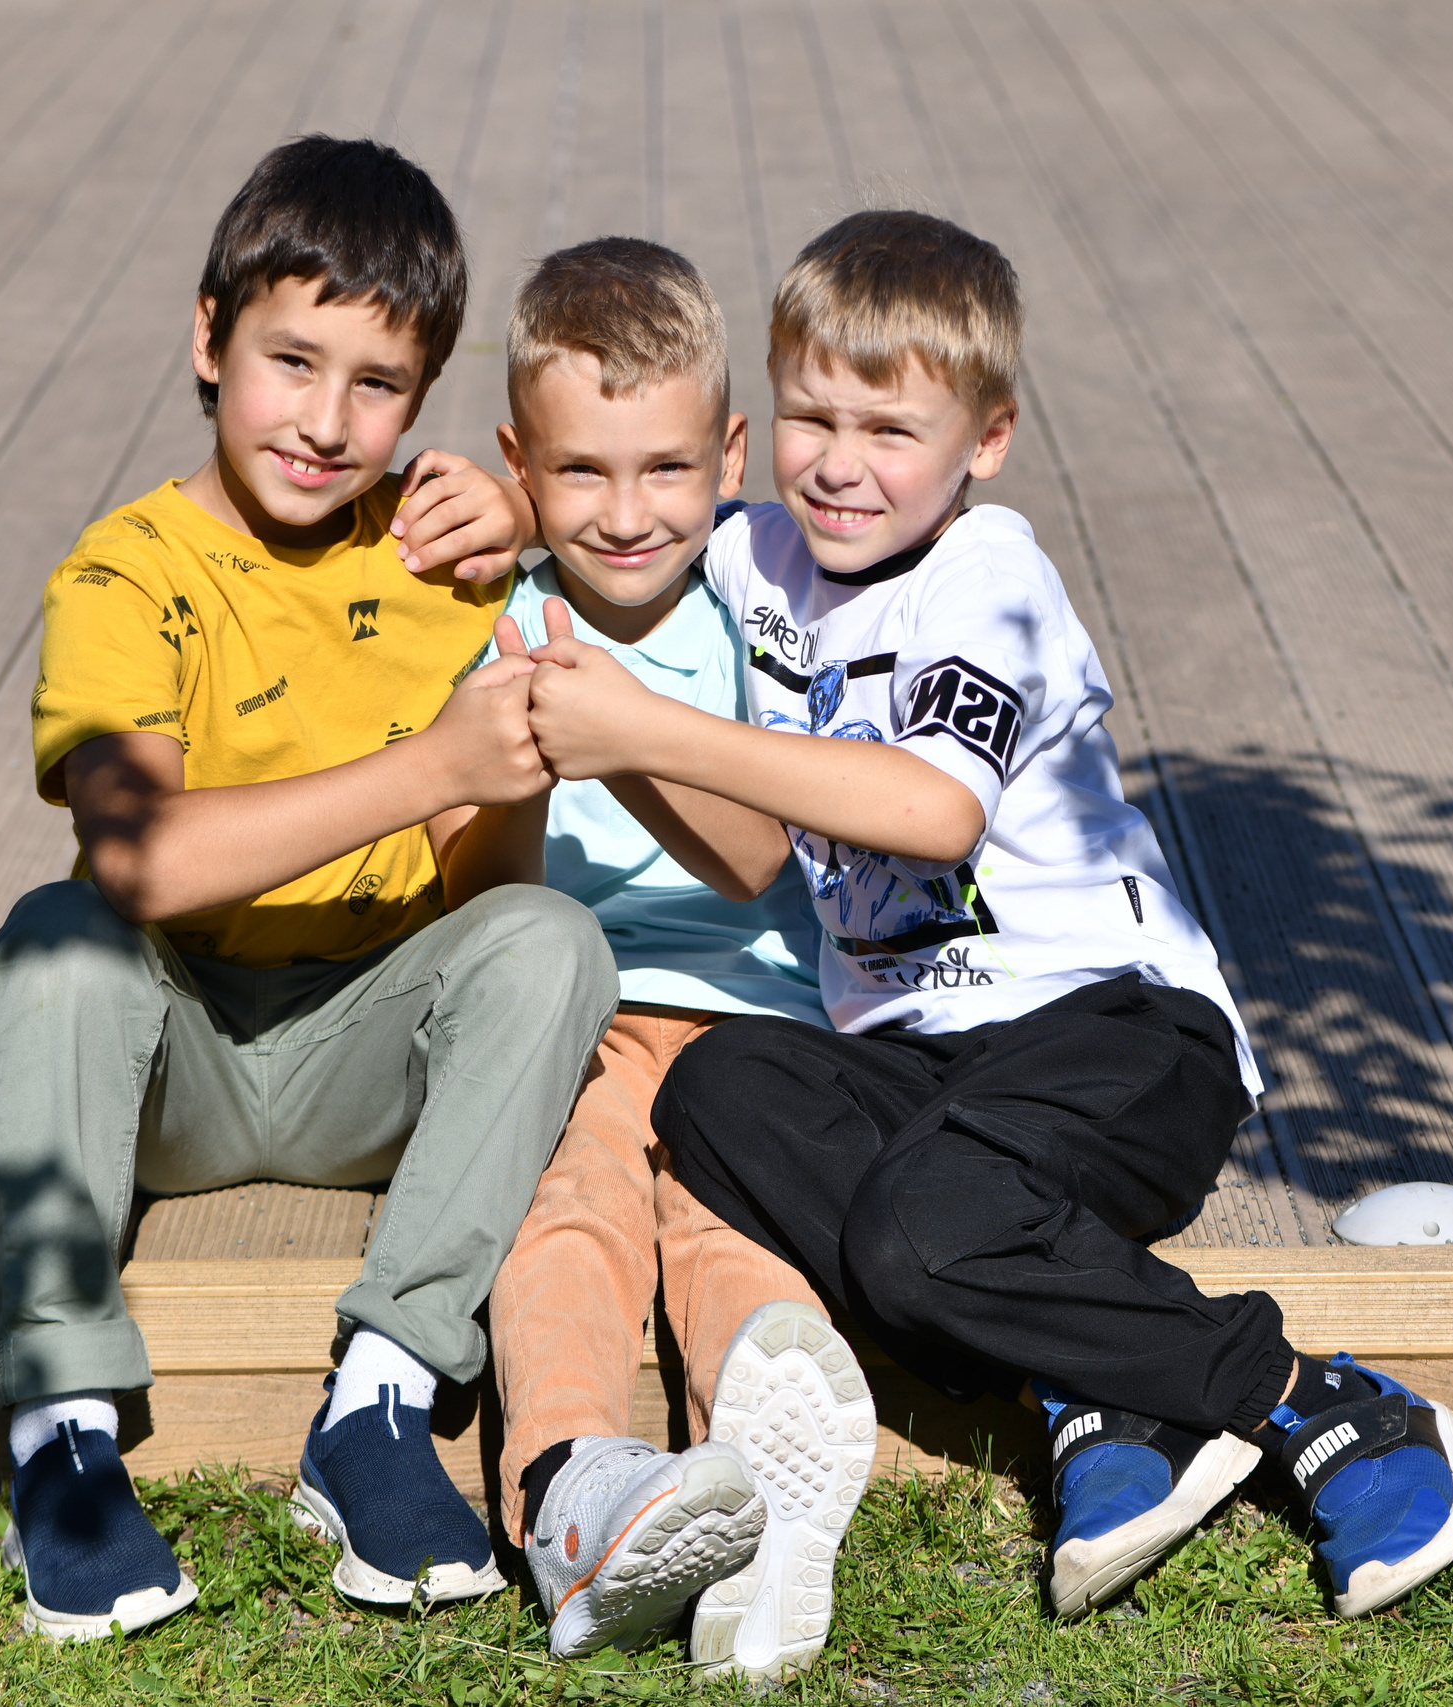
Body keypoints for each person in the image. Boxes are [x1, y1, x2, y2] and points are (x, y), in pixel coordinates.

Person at [508, 209, 1453, 1623]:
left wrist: (649, 731)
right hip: (924, 1065)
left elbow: (930, 812)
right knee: (718, 1095)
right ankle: (1105, 1394)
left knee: (918, 1229)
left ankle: (1321, 1404)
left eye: (891, 431)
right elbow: (643, 558)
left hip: (1115, 1033)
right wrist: (501, 518)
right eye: (812, 420)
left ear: (988, 439)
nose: (841, 465)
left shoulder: (989, 578)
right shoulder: (755, 558)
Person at [0, 134, 613, 1642]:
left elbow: (483, 894)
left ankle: (380, 1404)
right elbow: (138, 856)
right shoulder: (126, 574)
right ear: (210, 338)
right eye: (291, 362)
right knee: (60, 937)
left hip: (365, 1059)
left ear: (424, 395)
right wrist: (428, 763)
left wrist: (507, 730)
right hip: (173, 1062)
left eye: (378, 384)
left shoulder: (442, 561)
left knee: (550, 937)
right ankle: (61, 1437)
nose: (327, 423)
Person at [468, 237, 874, 1680]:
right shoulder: (497, 625)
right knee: (565, 1213)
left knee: (726, 1222)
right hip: (571, 1008)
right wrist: (519, 747)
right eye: (581, 472)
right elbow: (483, 888)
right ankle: (574, 1484)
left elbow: (757, 856)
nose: (628, 513)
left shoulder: (762, 610)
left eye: (667, 470)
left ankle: (774, 1456)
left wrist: (616, 732)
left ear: (731, 458)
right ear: (519, 465)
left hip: (750, 1020)